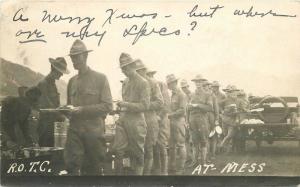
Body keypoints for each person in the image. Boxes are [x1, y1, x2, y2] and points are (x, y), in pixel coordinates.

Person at [64, 39, 113, 175]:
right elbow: (70, 106)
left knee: (92, 170)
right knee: (71, 168)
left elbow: (108, 106)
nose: (74, 61)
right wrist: (65, 110)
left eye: (77, 57)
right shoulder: (71, 81)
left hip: (93, 134)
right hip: (74, 132)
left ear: (85, 56)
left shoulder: (100, 78)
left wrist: (83, 110)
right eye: (72, 58)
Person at [114, 53, 150, 175]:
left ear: (133, 66)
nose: (124, 70)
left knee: (138, 154)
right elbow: (124, 103)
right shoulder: (125, 82)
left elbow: (144, 106)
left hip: (136, 122)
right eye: (122, 68)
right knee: (118, 151)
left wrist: (125, 104)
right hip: (123, 120)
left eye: (126, 67)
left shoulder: (143, 83)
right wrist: (118, 108)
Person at [135, 60, 163, 175]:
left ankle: (147, 175)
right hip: (136, 120)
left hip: (149, 119)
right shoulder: (132, 83)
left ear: (143, 70)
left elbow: (160, 102)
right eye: (135, 71)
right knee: (138, 149)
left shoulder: (152, 83)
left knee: (149, 148)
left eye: (139, 71)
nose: (137, 73)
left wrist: (143, 106)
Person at [37, 57, 69, 147]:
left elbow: (55, 105)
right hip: (45, 128)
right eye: (60, 72)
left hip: (52, 126)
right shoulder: (43, 84)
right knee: (46, 152)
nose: (62, 74)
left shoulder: (52, 84)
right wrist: (63, 113)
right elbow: (46, 108)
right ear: (54, 69)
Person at [1, 87, 41, 151]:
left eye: (35, 101)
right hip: (5, 139)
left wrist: (30, 142)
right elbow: (1, 124)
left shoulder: (27, 109)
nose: (32, 104)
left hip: (12, 139)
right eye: (33, 100)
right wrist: (6, 140)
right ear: (27, 96)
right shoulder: (11, 103)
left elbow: (24, 128)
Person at [147, 69, 170, 175]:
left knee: (161, 145)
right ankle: (156, 169)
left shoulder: (161, 84)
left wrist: (159, 116)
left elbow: (166, 104)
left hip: (161, 119)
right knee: (153, 145)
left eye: (149, 75)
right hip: (150, 120)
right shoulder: (145, 85)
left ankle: (164, 171)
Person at [188, 75, 213, 165]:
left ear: (202, 82)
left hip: (202, 119)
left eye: (199, 81)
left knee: (203, 141)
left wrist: (198, 105)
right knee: (194, 141)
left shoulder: (207, 94)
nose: (198, 83)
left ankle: (203, 162)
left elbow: (210, 108)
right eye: (196, 82)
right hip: (192, 119)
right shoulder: (191, 94)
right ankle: (194, 162)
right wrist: (188, 121)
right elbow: (187, 108)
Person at [166, 74, 187, 175]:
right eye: (168, 84)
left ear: (174, 83)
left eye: (169, 84)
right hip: (171, 122)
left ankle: (181, 168)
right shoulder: (172, 94)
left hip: (178, 122)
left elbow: (182, 110)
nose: (168, 86)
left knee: (181, 145)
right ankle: (172, 167)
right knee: (172, 146)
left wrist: (170, 115)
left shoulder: (181, 94)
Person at [219, 85, 240, 153]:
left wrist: (237, 118)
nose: (233, 93)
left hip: (233, 119)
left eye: (234, 92)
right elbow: (218, 104)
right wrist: (221, 111)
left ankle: (221, 145)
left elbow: (240, 111)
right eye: (231, 92)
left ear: (236, 92)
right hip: (225, 119)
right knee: (225, 134)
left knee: (230, 134)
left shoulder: (238, 100)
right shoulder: (226, 100)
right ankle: (228, 150)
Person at [202, 81, 219, 160]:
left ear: (209, 86)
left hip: (211, 116)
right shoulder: (201, 95)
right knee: (205, 137)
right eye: (204, 86)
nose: (205, 87)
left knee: (213, 136)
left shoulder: (213, 96)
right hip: (203, 117)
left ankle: (212, 154)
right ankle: (206, 155)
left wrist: (216, 119)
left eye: (206, 86)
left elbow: (216, 109)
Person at [180, 79, 195, 167]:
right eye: (182, 87)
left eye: (185, 87)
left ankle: (194, 159)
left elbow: (190, 109)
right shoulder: (183, 96)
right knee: (185, 139)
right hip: (184, 119)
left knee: (192, 140)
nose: (184, 89)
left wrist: (188, 121)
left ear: (188, 86)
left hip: (191, 119)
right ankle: (188, 157)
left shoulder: (192, 95)